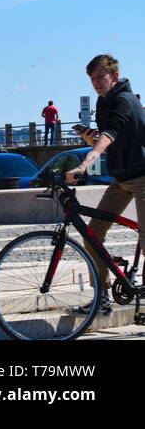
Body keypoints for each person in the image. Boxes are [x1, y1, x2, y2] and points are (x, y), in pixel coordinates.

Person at [66, 54, 145, 315]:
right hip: (121, 178)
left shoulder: (123, 101)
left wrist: (83, 165)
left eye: (101, 76)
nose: (96, 82)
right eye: (92, 77)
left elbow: (109, 136)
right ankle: (102, 297)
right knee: (92, 235)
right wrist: (91, 139)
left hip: (143, 177)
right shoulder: (104, 102)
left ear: (115, 75)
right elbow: (108, 140)